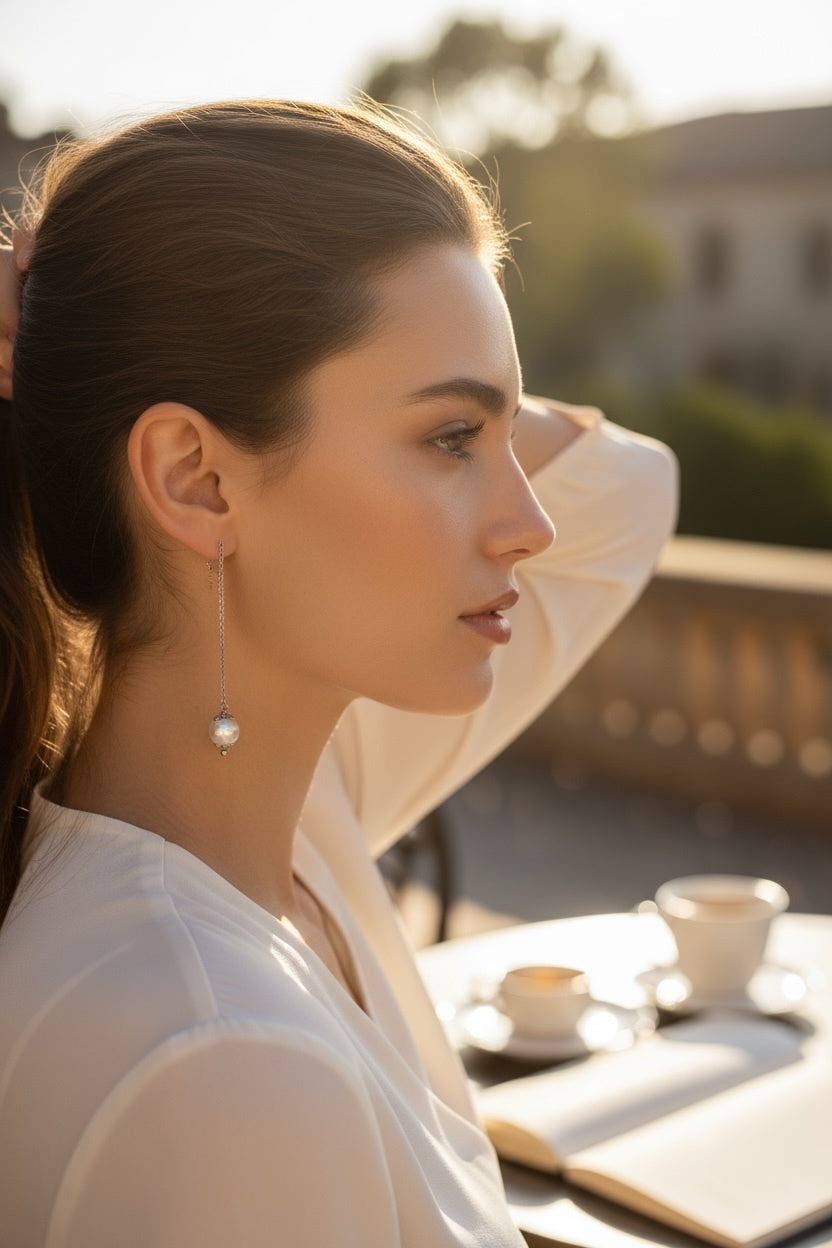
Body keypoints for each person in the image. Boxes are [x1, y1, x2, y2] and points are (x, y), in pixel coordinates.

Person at [0, 100, 676, 1247]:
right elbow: (626, 490)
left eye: (509, 436)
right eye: (452, 439)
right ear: (195, 479)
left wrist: (63, 356)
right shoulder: (225, 1066)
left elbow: (629, 488)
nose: (530, 523)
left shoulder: (294, 818)